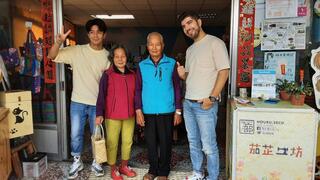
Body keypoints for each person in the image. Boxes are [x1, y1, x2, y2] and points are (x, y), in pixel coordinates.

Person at [48, 18, 110, 179]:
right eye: (92, 32)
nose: (95, 35)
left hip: (97, 103)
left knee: (97, 135)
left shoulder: (108, 57)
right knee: (76, 134)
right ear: (88, 34)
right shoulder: (77, 50)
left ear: (104, 35)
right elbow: (51, 56)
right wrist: (58, 42)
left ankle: (97, 161)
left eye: (99, 32)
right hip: (78, 101)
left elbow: (110, 85)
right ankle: (77, 160)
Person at [177, 11, 230, 180]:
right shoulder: (190, 50)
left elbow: (224, 71)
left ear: (199, 22)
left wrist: (213, 98)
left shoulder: (215, 43)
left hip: (205, 104)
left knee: (208, 146)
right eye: (184, 26)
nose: (187, 27)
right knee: (193, 143)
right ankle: (198, 173)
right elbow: (192, 76)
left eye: (190, 22)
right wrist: (182, 74)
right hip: (189, 103)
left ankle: (212, 177)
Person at [135, 32, 182, 180]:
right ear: (147, 46)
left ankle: (163, 171)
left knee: (165, 141)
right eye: (151, 44)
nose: (154, 48)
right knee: (150, 142)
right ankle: (153, 170)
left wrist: (178, 110)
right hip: (148, 111)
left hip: (166, 110)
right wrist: (138, 110)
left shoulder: (172, 63)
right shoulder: (141, 65)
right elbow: (137, 89)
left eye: (158, 44)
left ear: (163, 45)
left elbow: (177, 87)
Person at [95, 44, 137, 180]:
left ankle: (124, 166)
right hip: (112, 115)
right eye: (117, 56)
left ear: (127, 58)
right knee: (112, 142)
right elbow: (101, 95)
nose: (120, 59)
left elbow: (137, 94)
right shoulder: (107, 75)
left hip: (129, 114)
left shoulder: (132, 75)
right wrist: (99, 114)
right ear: (112, 58)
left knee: (127, 141)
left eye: (123, 56)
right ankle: (113, 169)